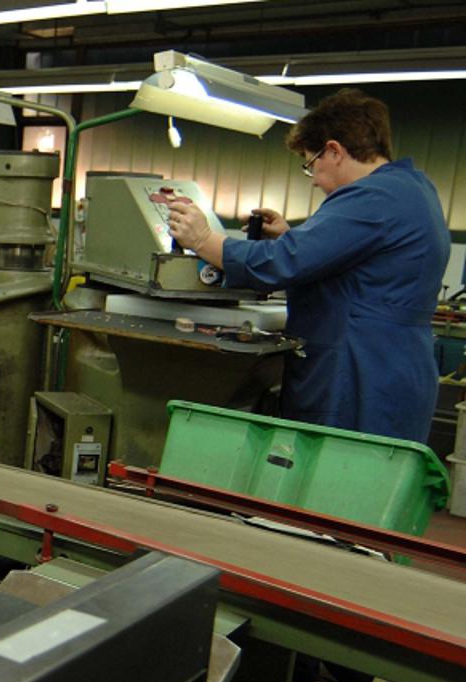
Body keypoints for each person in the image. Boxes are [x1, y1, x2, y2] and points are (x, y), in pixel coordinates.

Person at [167, 88, 449, 444]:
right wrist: (290, 234)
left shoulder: (372, 198)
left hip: (359, 374)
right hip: (393, 366)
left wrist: (203, 240)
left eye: (310, 162)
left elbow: (280, 263)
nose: (313, 178)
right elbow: (355, 264)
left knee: (336, 485)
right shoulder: (412, 188)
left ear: (334, 150)